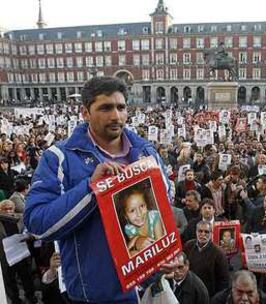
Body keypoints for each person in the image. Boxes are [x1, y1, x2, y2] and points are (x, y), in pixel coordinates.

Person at [24, 77, 173, 303]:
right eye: (105, 108)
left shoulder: (146, 151)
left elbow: (165, 205)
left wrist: (167, 252)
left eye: (121, 107)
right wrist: (92, 190)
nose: (116, 116)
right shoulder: (59, 157)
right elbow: (37, 223)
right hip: (96, 296)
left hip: (148, 289)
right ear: (85, 112)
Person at [183, 220, 229, 297]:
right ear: (196, 232)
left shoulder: (219, 253)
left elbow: (223, 281)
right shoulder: (188, 246)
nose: (203, 234)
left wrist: (217, 299)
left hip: (208, 295)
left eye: (206, 232)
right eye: (200, 231)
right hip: (189, 291)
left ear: (211, 234)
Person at [117, 188, 166, 255]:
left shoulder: (154, 217)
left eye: (142, 206)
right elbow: (129, 251)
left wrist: (136, 241)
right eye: (132, 210)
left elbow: (161, 247)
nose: (139, 214)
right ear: (126, 216)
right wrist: (136, 239)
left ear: (146, 204)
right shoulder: (129, 228)